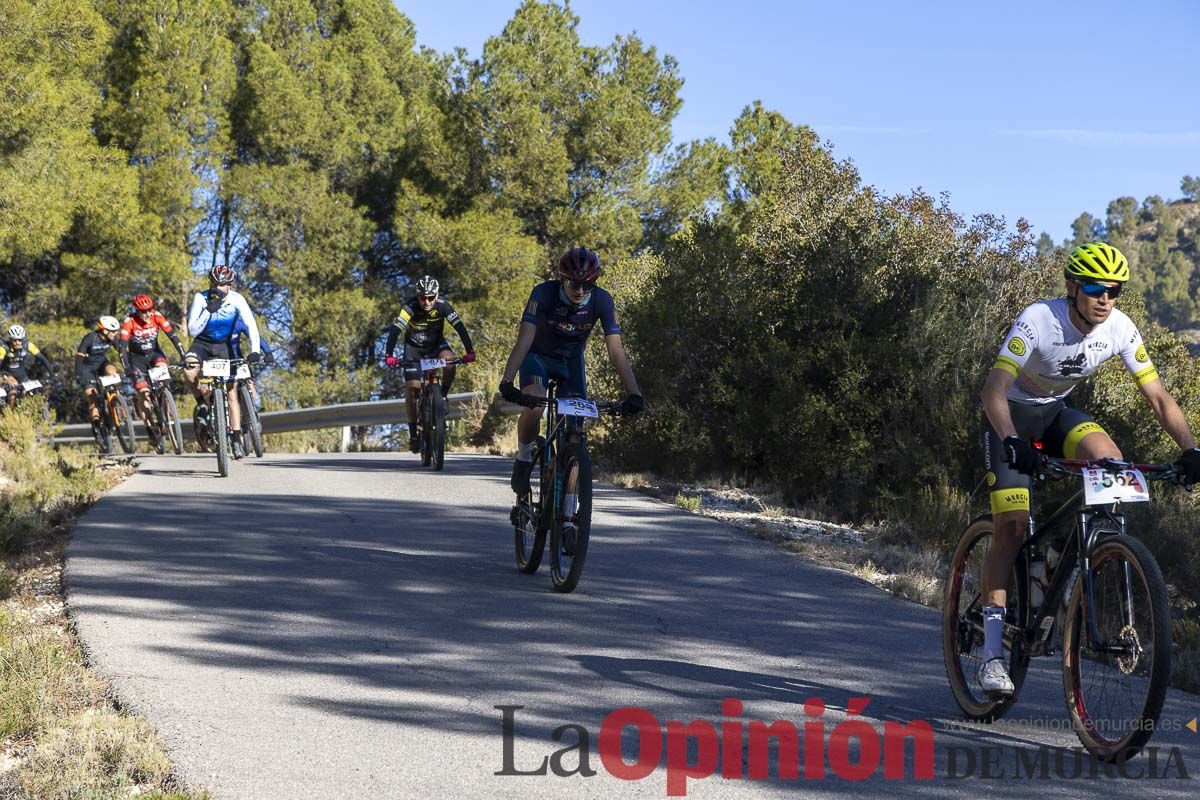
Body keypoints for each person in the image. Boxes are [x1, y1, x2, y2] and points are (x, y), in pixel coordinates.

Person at [978, 242, 1200, 694]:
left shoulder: (1119, 327)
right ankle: (990, 655)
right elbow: (992, 391)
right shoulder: (1040, 319)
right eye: (1096, 288)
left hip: (1057, 411)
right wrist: (1012, 441)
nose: (1106, 298)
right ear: (1073, 288)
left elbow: (1158, 398)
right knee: (1011, 530)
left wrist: (1192, 449)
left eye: (1114, 290)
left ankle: (1059, 560)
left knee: (1113, 466)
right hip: (1011, 419)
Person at [498, 247, 644, 494]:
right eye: (574, 284)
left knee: (576, 434)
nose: (580, 291)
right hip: (538, 358)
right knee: (535, 406)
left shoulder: (602, 300)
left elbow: (616, 350)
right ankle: (524, 458)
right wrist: (507, 381)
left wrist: (634, 393)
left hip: (570, 363)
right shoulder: (542, 294)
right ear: (562, 279)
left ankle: (568, 510)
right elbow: (524, 339)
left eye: (587, 285)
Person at [383, 276, 476, 452]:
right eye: (423, 297)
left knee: (449, 362)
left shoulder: (443, 305)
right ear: (418, 296)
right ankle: (413, 434)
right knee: (413, 388)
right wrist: (388, 354)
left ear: (437, 295)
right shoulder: (409, 307)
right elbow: (395, 330)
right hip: (413, 349)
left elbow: (460, 328)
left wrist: (470, 351)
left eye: (431, 297)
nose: (427, 301)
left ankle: (443, 396)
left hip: (436, 346)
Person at [184, 265, 262, 459]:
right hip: (202, 343)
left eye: (223, 284)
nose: (219, 287)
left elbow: (251, 326)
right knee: (188, 369)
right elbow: (193, 330)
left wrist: (255, 350)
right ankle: (202, 402)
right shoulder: (200, 298)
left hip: (223, 347)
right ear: (211, 283)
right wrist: (208, 311)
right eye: (216, 283)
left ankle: (236, 440)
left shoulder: (237, 300)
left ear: (230, 285)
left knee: (231, 392)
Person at [119, 295, 186, 443]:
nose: (148, 314)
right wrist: (127, 368)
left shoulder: (157, 316)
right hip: (137, 359)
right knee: (143, 393)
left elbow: (172, 335)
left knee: (163, 376)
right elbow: (122, 347)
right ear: (136, 310)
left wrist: (183, 354)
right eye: (144, 311)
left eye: (149, 310)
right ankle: (149, 426)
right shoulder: (129, 322)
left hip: (155, 354)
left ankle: (165, 401)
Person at [75, 316, 123, 446]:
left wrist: (128, 365)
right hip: (87, 369)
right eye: (113, 331)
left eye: (116, 331)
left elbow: (122, 351)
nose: (115, 334)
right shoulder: (90, 338)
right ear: (104, 330)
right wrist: (79, 375)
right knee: (93, 397)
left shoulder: (112, 339)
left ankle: (115, 399)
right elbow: (79, 357)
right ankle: (96, 425)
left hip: (101, 364)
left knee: (111, 369)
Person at [0, 324, 54, 408]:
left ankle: (26, 413)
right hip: (7, 373)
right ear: (10, 339)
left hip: (21, 374)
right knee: (13, 391)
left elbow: (43, 359)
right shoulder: (4, 348)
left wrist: (52, 375)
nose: (17, 342)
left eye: (20, 340)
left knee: (28, 392)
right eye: (15, 340)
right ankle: (9, 414)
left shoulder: (28, 345)